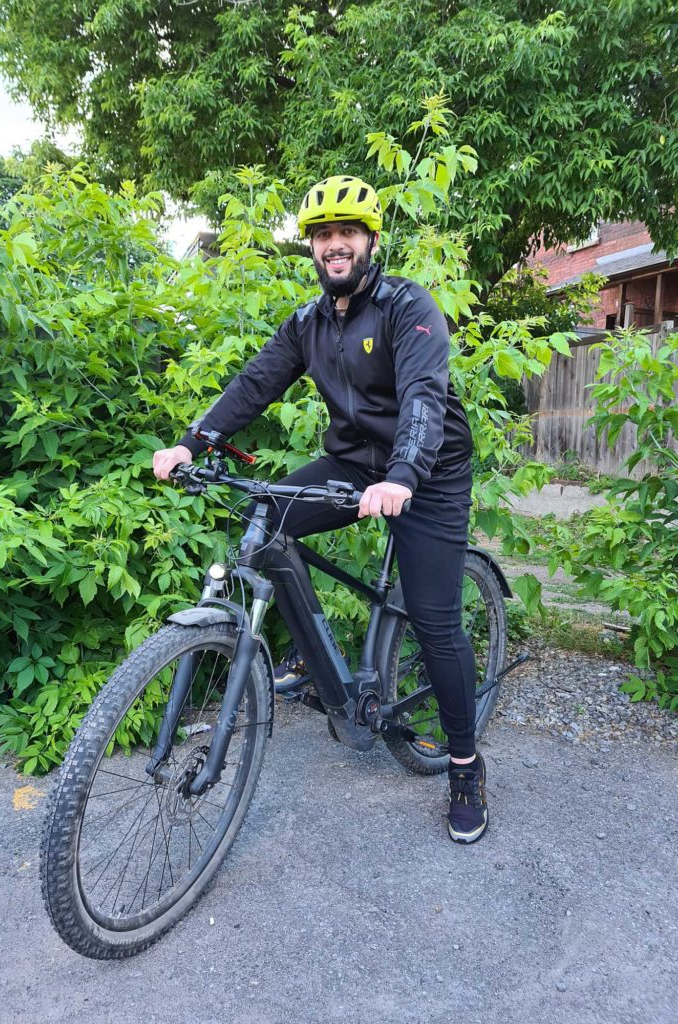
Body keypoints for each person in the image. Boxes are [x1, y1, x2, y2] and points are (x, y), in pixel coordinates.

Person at [153, 175, 487, 844]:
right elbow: (254, 384)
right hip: (355, 462)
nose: (335, 245)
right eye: (323, 235)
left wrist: (404, 476)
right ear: (312, 248)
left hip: (429, 471)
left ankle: (465, 765)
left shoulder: (407, 307)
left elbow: (424, 396)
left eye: (348, 233)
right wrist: (193, 442)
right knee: (270, 522)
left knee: (435, 620)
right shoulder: (307, 324)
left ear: (370, 241)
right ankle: (315, 653)